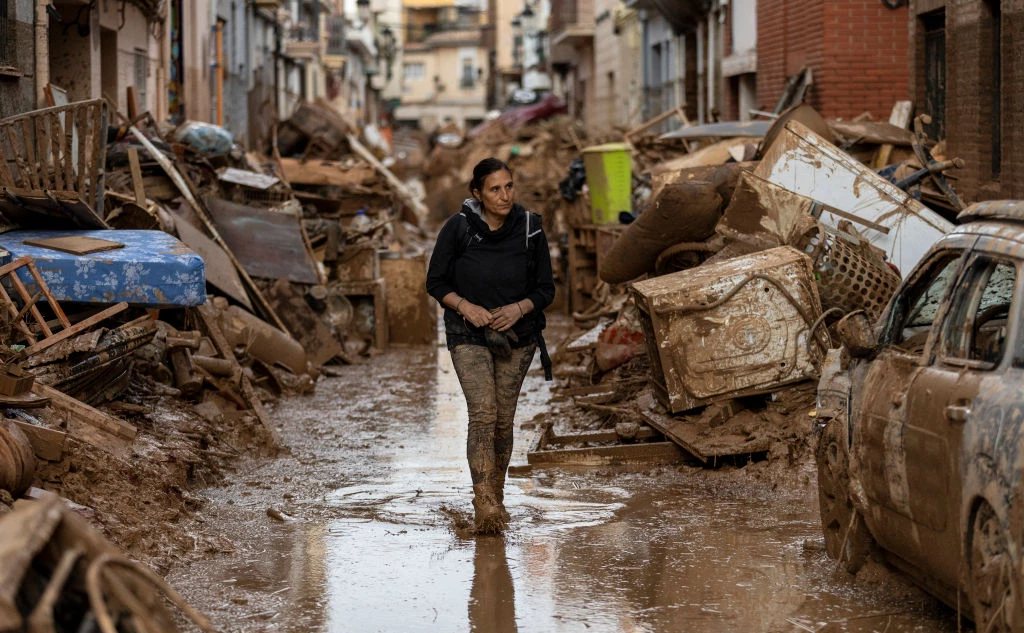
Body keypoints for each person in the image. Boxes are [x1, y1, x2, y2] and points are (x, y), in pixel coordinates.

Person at [426, 157, 555, 534]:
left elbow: (546, 289)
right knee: (484, 413)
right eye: (495, 189)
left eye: (509, 186)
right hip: (468, 334)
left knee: (503, 419)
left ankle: (496, 498)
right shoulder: (459, 228)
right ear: (477, 194)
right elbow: (435, 282)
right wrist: (467, 307)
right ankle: (484, 505)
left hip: (520, 335)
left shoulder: (531, 228)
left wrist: (518, 308)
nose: (504, 195)